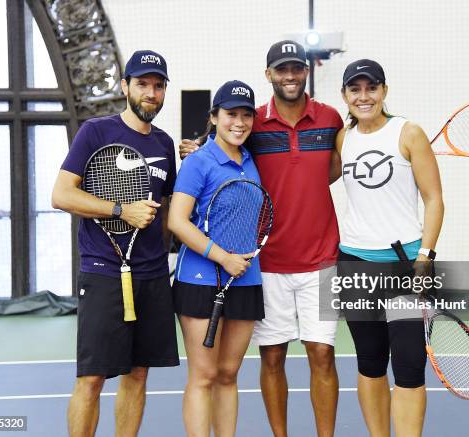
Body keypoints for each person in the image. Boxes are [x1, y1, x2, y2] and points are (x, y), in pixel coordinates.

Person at [180, 41, 343, 437]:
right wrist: (199, 148)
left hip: (321, 261)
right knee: (271, 358)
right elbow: (221, 151)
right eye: (281, 69)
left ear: (307, 72)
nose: (290, 75)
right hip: (266, 266)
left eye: (297, 68)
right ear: (268, 74)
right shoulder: (253, 127)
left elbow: (333, 169)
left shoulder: (331, 119)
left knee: (322, 353)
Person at [51, 50, 179, 437]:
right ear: (125, 87)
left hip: (153, 275)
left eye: (158, 86)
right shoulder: (96, 132)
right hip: (104, 273)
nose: (150, 93)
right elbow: (61, 195)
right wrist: (120, 210)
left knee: (138, 374)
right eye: (142, 84)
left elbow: (168, 206)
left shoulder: (165, 143)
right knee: (92, 379)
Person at [335, 59, 444, 437]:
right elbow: (302, 170)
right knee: (370, 361)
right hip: (354, 264)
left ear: (384, 91)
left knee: (410, 365)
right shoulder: (343, 138)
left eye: (371, 88)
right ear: (345, 95)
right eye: (355, 89)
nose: (363, 96)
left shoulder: (409, 133)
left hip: (405, 266)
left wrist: (425, 256)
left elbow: (434, 199)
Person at [168, 80, 264, 437]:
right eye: (230, 114)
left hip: (246, 280)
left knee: (228, 374)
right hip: (201, 281)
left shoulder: (253, 160)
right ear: (214, 117)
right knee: (204, 375)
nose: (238, 122)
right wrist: (223, 258)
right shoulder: (199, 161)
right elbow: (177, 221)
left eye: (245, 115)